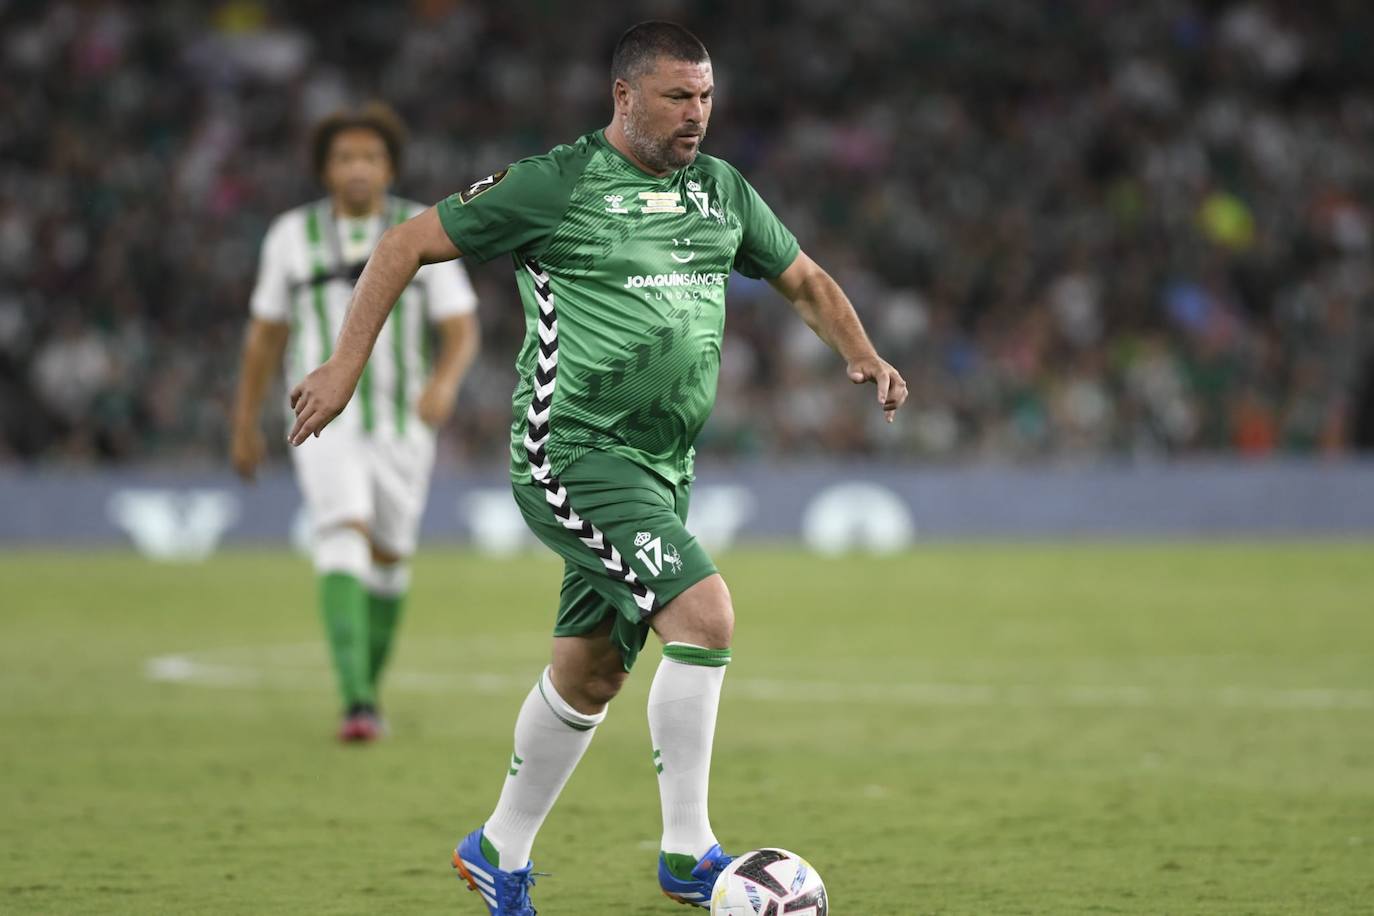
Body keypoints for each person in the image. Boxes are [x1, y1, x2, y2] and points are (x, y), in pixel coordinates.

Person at [287, 22, 906, 912]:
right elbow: (403, 245)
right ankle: (689, 851)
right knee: (705, 615)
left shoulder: (721, 190)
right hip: (571, 452)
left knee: (590, 674)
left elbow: (802, 278)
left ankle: (497, 848)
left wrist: (863, 353)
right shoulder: (556, 183)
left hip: (661, 469)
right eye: (676, 98)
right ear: (625, 97)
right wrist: (347, 364)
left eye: (705, 97)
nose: (697, 116)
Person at [231, 103, 480, 743]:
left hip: (404, 424)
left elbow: (460, 328)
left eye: (370, 156)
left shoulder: (421, 227)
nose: (358, 168)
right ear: (325, 170)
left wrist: (444, 384)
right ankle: (357, 701)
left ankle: (367, 690)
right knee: (343, 530)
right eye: (345, 158)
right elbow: (265, 338)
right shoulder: (291, 237)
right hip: (321, 418)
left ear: (390, 166)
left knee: (390, 557)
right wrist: (243, 420)